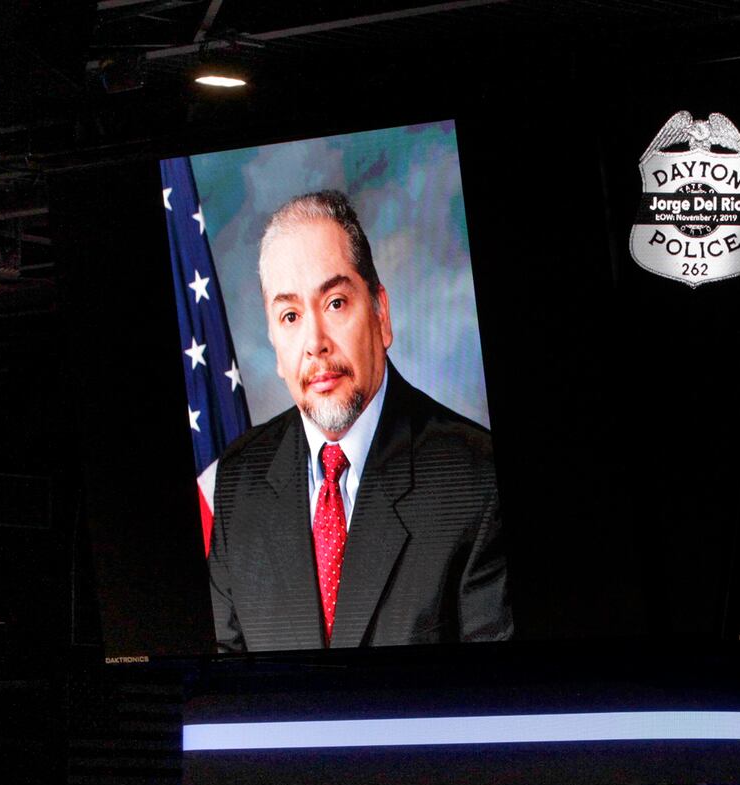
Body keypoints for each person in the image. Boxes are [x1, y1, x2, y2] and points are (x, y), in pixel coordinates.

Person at [208, 190, 512, 651]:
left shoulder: (476, 480)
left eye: (334, 303)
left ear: (380, 313)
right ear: (274, 343)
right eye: (290, 315)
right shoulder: (237, 483)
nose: (315, 343)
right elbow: (226, 692)